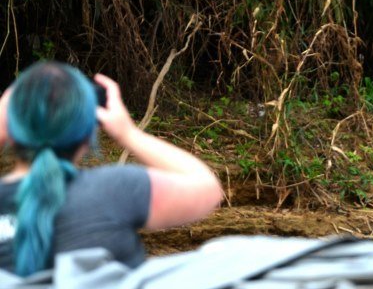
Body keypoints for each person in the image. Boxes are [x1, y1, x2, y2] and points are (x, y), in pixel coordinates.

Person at [0, 61, 223, 276]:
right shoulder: (117, 190)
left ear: (10, 128)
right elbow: (207, 188)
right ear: (88, 134)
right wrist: (128, 133)